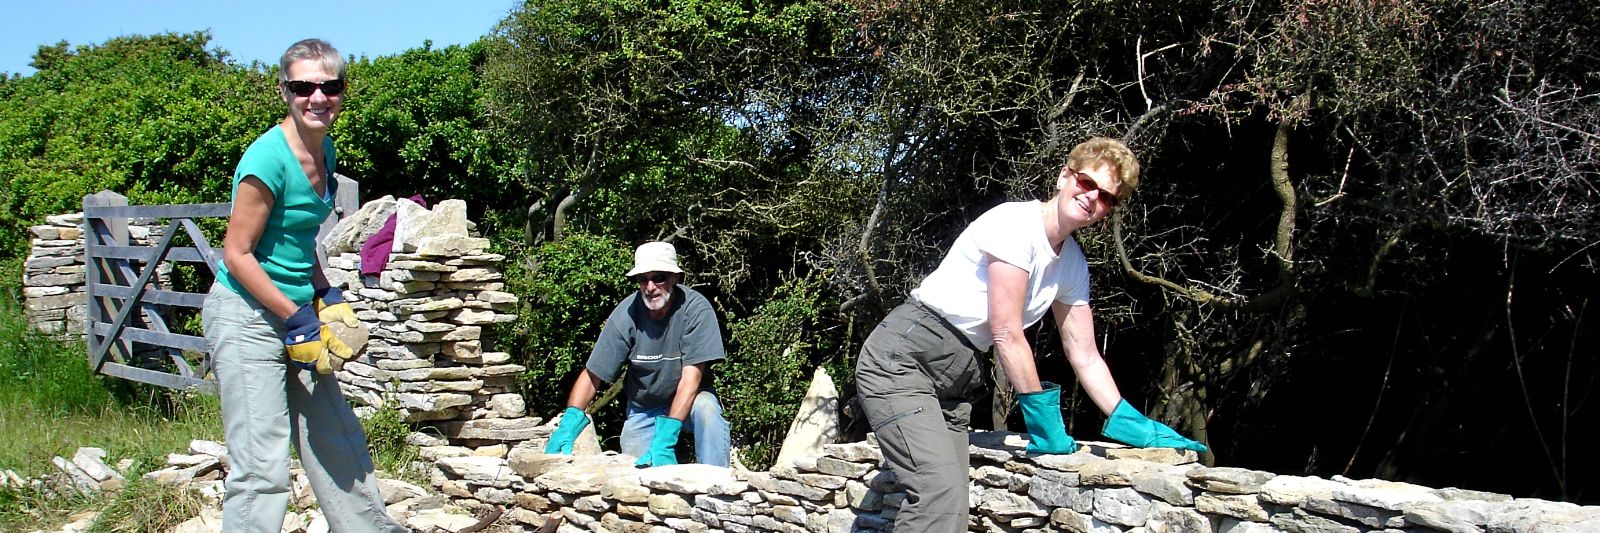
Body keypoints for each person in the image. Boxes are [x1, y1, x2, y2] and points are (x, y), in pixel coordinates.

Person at [854, 137, 1206, 532]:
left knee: (952, 507)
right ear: (1064, 176)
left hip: (955, 378)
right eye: (1087, 183)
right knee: (935, 490)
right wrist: (1042, 418)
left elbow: (1085, 354)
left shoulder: (1072, 264)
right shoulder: (1015, 224)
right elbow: (1005, 331)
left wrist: (1128, 420)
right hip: (903, 358)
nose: (1092, 198)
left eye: (1106, 196)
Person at [201, 39, 406, 532]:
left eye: (329, 86)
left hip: (297, 312)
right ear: (284, 91)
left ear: (342, 90)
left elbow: (296, 241)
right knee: (262, 463)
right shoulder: (267, 160)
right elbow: (237, 253)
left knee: (338, 438)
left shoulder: (325, 148)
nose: (318, 97)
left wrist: (325, 292)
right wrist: (295, 317)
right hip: (247, 313)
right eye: (303, 86)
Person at [543, 241, 732, 468]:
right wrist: (570, 420)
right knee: (636, 476)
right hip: (644, 408)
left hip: (690, 400)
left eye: (658, 278)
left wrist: (665, 439)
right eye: (643, 279)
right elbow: (594, 374)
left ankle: (717, 489)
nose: (650, 287)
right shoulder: (626, 314)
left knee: (708, 411)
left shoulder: (696, 309)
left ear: (674, 278)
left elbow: (691, 381)